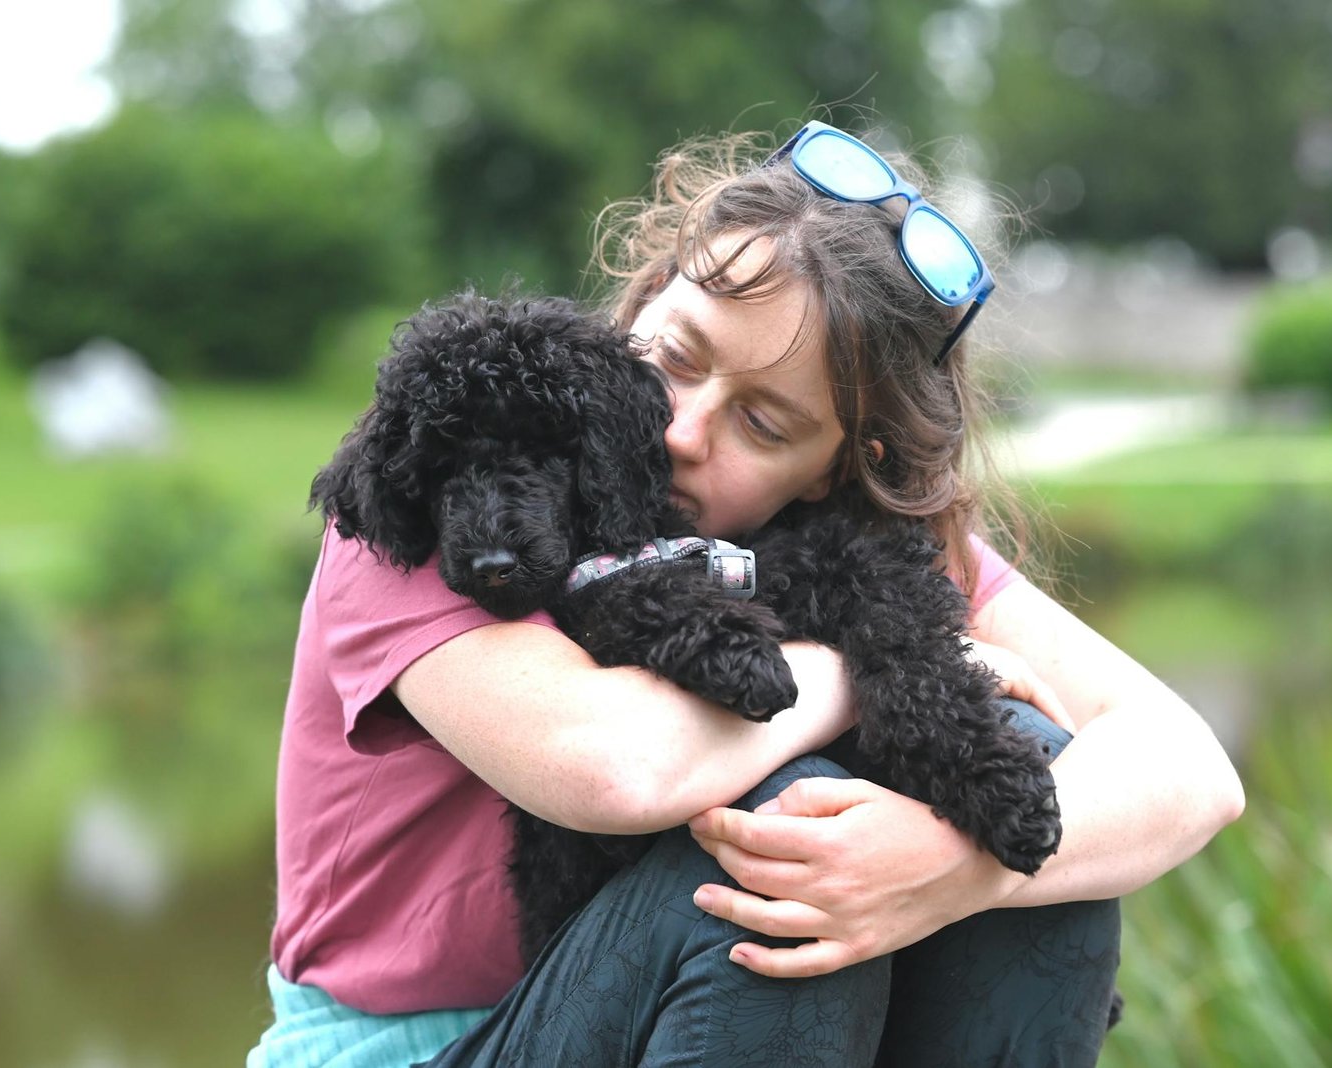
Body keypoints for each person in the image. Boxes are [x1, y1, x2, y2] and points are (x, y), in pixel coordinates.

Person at [249, 119, 1245, 1067]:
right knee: (760, 860)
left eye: (762, 426)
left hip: (662, 1015)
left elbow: (1191, 771)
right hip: (412, 1047)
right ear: (642, 300)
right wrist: (869, 670)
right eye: (676, 358)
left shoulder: (840, 543)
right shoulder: (445, 481)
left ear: (829, 469)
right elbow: (618, 770)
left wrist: (944, 872)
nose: (684, 429)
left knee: (1020, 790)